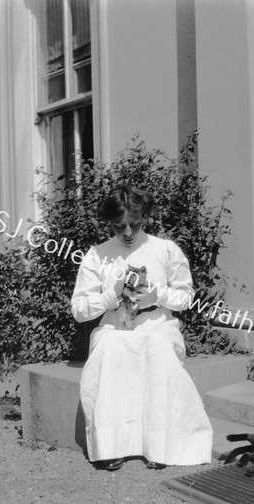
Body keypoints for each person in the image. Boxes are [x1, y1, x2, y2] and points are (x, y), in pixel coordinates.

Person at [71, 184, 213, 471]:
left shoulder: (165, 249)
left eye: (134, 225)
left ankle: (159, 446)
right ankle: (111, 446)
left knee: (157, 348)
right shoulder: (97, 255)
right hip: (115, 326)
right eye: (118, 226)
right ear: (109, 222)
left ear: (144, 217)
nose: (127, 233)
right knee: (109, 348)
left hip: (156, 323)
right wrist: (110, 296)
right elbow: (79, 310)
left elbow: (186, 297)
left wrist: (157, 296)